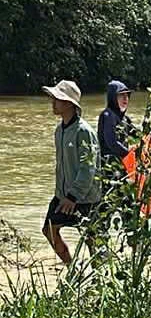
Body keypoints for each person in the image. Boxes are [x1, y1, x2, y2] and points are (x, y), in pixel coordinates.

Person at [41, 80, 102, 265]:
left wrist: (73, 196)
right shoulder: (59, 130)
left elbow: (88, 168)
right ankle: (72, 269)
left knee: (93, 241)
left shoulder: (84, 131)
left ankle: (104, 282)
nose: (53, 102)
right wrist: (64, 195)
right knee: (49, 230)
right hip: (62, 195)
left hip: (84, 198)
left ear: (69, 104)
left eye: (57, 99)